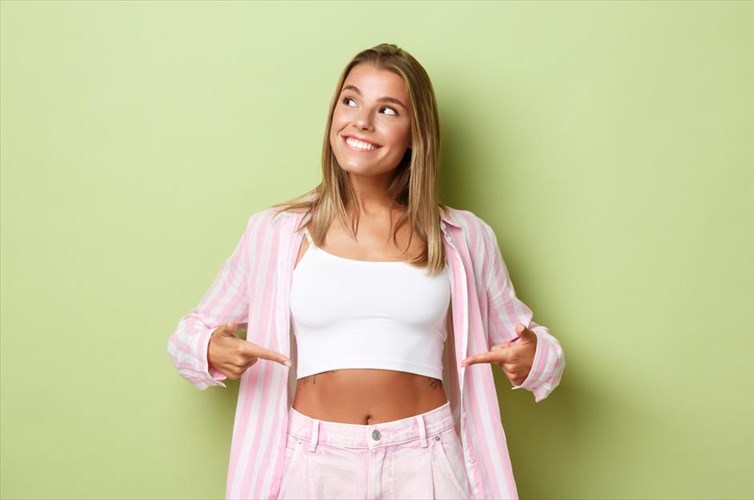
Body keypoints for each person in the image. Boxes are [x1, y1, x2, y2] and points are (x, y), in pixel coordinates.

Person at [167, 43, 565, 500]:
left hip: (426, 459)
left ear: (416, 133)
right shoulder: (274, 232)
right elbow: (188, 337)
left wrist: (530, 357)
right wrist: (211, 349)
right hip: (313, 461)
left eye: (388, 110)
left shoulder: (463, 237)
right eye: (350, 101)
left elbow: (537, 349)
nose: (362, 121)